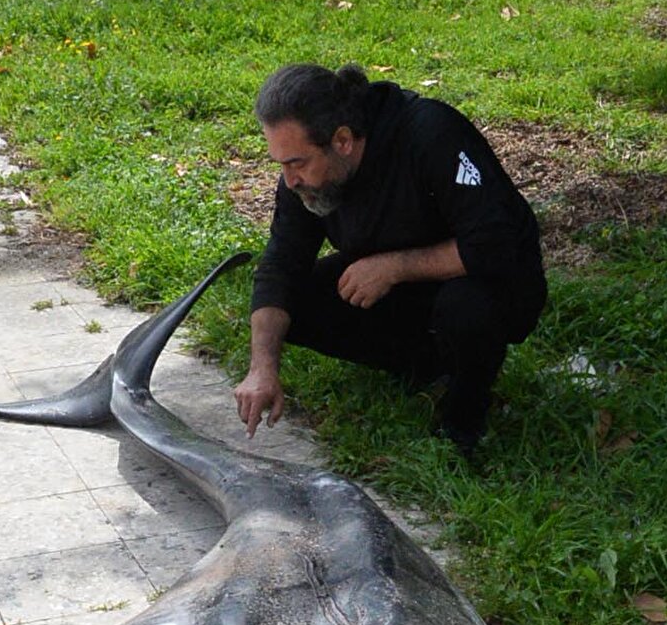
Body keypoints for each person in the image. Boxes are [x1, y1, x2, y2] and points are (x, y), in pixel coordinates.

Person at [234, 62, 547, 457]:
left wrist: (395, 267)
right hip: (399, 288)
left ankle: (463, 421)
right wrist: (263, 367)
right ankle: (423, 365)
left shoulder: (430, 134)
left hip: (487, 280)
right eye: (280, 163)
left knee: (466, 309)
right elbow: (281, 266)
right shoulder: (304, 179)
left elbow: (495, 244)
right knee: (290, 305)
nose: (290, 178)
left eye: (297, 163)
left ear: (343, 140)